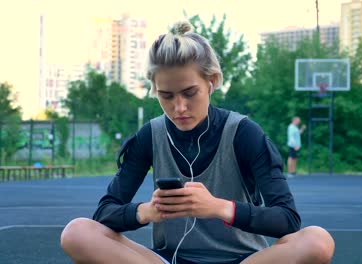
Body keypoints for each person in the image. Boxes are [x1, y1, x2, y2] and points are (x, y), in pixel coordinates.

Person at [60, 21, 334, 264]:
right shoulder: (150, 135)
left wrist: (218, 207)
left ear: (211, 82)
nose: (179, 107)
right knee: (77, 232)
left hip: (243, 260)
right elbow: (104, 213)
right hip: (169, 260)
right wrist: (146, 211)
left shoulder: (244, 133)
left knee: (318, 242)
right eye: (166, 96)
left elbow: (287, 219)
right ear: (155, 90)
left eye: (189, 93)